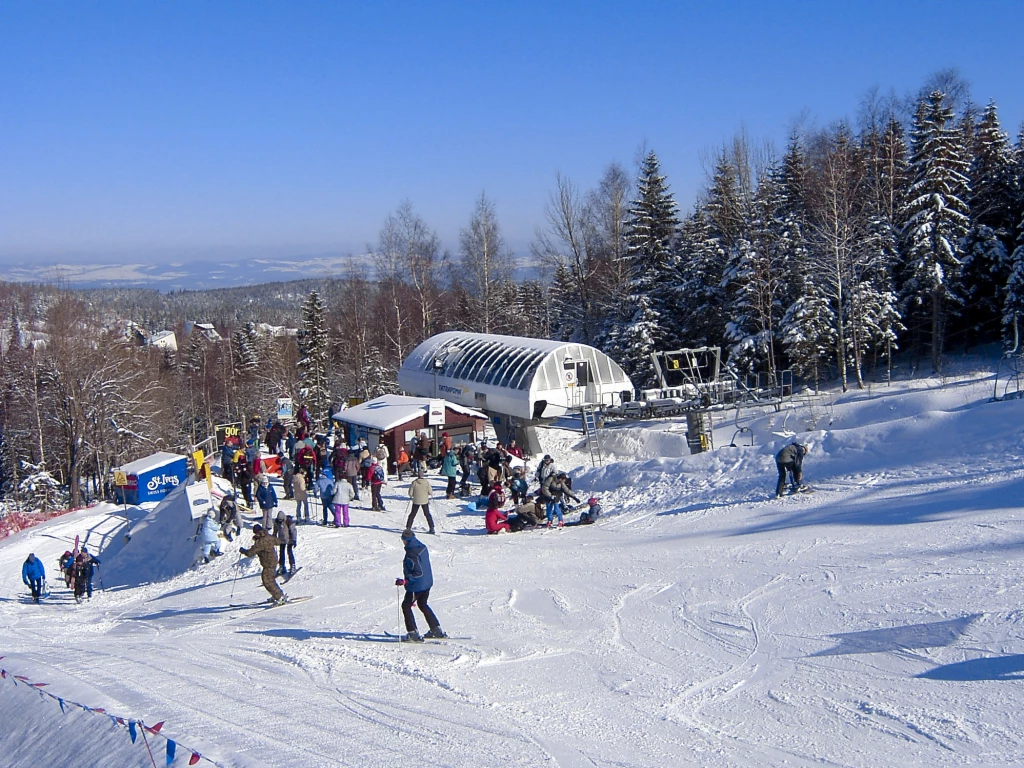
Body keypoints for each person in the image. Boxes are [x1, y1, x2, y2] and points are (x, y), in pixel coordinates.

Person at [396, 529, 445, 642]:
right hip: (427, 583)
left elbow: (418, 572)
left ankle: (412, 633)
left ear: (406, 540)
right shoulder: (422, 547)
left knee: (406, 606)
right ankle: (436, 629)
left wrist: (406, 581)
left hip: (417, 585)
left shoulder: (411, 553)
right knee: (422, 604)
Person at [240, 524, 286, 604]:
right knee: (270, 579)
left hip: (268, 563)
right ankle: (276, 595)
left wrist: (243, 551)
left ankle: (279, 597)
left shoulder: (260, 542)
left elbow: (250, 553)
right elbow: (278, 541)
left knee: (267, 581)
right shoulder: (268, 537)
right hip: (273, 561)